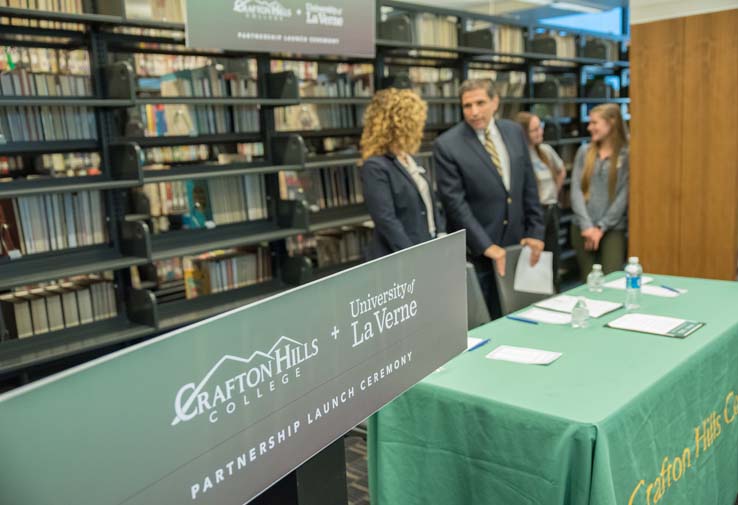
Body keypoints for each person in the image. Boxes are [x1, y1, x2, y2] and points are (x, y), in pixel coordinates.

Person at [434, 79, 544, 318]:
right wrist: (486, 246)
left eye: (480, 103)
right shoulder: (447, 145)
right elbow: (455, 204)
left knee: (526, 316)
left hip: (519, 246)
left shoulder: (514, 131)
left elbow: (528, 185)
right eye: (467, 106)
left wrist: (536, 232)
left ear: (495, 102)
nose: (474, 112)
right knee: (487, 323)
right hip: (478, 252)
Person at [359, 88, 444, 259]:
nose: (421, 126)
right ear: (401, 124)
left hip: (428, 244)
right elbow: (386, 220)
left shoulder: (407, 158)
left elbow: (428, 202)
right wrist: (413, 256)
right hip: (402, 257)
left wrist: (441, 234)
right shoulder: (375, 167)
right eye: (417, 120)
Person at [570, 103, 629, 280]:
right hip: (583, 227)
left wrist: (601, 227)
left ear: (611, 123)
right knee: (589, 281)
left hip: (612, 229)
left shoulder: (627, 155)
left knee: (613, 280)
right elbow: (575, 190)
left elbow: (624, 195)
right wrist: (587, 226)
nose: (590, 128)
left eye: (595, 123)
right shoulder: (584, 152)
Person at [515, 111, 565, 290]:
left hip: (551, 210)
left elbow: (560, 171)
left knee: (553, 257)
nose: (540, 132)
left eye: (540, 127)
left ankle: (555, 291)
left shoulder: (545, 151)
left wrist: (552, 192)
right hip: (535, 214)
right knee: (536, 260)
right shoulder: (519, 156)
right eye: (534, 130)